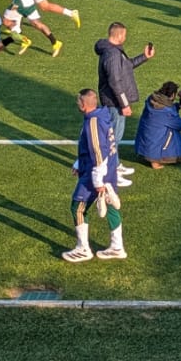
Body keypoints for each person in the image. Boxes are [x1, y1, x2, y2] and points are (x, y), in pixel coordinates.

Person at [64, 88, 127, 262]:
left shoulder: (92, 122)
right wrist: (79, 163)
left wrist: (98, 180)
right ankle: (117, 247)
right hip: (109, 171)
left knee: (77, 207)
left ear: (83, 105)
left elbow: (99, 151)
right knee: (111, 207)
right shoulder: (102, 116)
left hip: (97, 173)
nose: (77, 104)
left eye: (78, 102)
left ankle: (83, 248)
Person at [94, 22, 151, 186]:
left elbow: (127, 66)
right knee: (113, 139)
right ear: (118, 35)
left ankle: (116, 165)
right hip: (115, 102)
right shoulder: (112, 54)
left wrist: (144, 57)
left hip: (115, 101)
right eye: (124, 35)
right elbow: (115, 81)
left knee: (114, 137)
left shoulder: (114, 51)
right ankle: (110, 173)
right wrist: (124, 104)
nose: (125, 38)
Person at [133, 83, 181, 167]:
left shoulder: (151, 100)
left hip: (143, 146)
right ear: (173, 95)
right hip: (157, 147)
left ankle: (150, 156)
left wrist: (179, 106)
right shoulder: (168, 113)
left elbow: (165, 110)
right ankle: (156, 160)